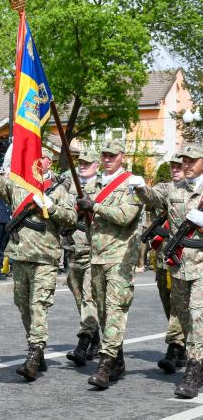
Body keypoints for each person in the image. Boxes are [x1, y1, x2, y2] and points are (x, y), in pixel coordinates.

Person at [0, 154, 75, 381]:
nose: (38, 161)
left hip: (45, 256)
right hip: (20, 255)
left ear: (50, 163)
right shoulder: (20, 186)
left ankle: (34, 352)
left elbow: (71, 218)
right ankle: (36, 346)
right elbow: (1, 186)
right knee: (23, 305)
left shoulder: (59, 190)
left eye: (44, 158)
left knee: (38, 304)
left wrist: (52, 207)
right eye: (35, 157)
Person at [133, 144, 203, 397]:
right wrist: (140, 187)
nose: (187, 164)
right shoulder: (174, 188)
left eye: (192, 160)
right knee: (183, 317)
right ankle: (195, 355)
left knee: (197, 316)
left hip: (202, 262)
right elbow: (153, 198)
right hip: (179, 263)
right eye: (184, 160)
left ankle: (194, 370)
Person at [76, 140, 142, 389]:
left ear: (121, 157)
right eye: (104, 155)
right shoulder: (93, 184)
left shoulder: (132, 184)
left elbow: (125, 217)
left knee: (115, 309)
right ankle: (118, 359)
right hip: (97, 255)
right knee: (103, 312)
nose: (107, 159)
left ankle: (104, 365)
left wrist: (95, 205)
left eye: (112, 155)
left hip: (120, 256)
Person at [147, 156, 188, 373]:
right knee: (167, 302)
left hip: (184, 257)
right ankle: (180, 346)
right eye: (172, 166)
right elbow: (151, 198)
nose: (175, 169)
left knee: (178, 304)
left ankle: (173, 347)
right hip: (164, 256)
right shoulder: (164, 187)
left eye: (179, 166)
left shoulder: (194, 191)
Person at [61, 152, 102, 365]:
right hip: (73, 251)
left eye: (87, 163)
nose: (83, 166)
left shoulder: (103, 186)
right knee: (80, 301)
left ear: (97, 165)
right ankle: (95, 342)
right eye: (81, 163)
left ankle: (83, 343)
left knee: (89, 298)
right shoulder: (68, 187)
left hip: (92, 251)